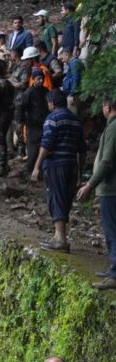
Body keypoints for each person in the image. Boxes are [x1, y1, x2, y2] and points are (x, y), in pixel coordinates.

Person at [30, 90, 85, 253]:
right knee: (65, 199)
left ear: (52, 103)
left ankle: (61, 239)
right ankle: (58, 235)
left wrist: (37, 166)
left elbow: (46, 144)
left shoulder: (52, 119)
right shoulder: (75, 121)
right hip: (71, 165)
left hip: (56, 164)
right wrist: (80, 171)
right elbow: (82, 149)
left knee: (56, 197)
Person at [77, 99, 116, 289]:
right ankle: (113, 268)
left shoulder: (113, 128)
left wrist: (91, 184)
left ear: (108, 106)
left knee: (112, 230)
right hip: (109, 187)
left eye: (103, 106)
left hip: (111, 188)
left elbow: (107, 161)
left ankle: (115, 275)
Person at [17, 68, 50, 173]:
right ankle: (31, 171)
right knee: (33, 150)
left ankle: (42, 170)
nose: (40, 81)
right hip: (32, 126)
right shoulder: (28, 93)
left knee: (44, 148)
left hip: (44, 125)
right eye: (38, 79)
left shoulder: (46, 91)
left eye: (42, 79)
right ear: (33, 79)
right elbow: (20, 108)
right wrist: (20, 123)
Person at [0, 60, 15, 176]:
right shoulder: (6, 82)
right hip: (5, 112)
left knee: (0, 139)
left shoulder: (2, 84)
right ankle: (1, 164)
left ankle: (1, 166)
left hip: (3, 114)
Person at [60, 49, 84, 115]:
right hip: (73, 94)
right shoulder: (73, 64)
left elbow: (76, 79)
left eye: (62, 58)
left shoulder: (75, 64)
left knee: (74, 116)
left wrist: (72, 94)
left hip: (74, 96)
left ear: (67, 55)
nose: (62, 61)